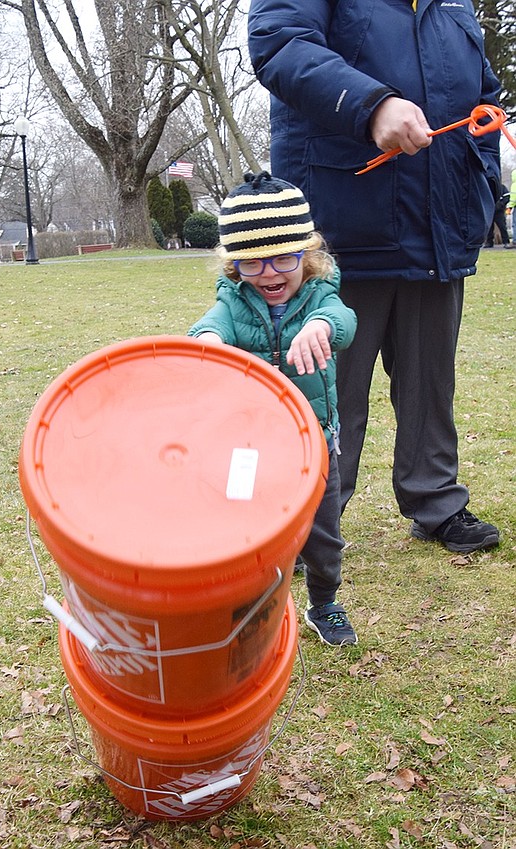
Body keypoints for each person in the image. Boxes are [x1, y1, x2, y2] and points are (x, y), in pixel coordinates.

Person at [248, 0, 501, 554]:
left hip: (436, 226)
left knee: (430, 379)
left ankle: (436, 499)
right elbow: (280, 43)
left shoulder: (453, 8)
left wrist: (482, 188)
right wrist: (372, 105)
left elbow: (484, 96)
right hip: (340, 228)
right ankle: (301, 516)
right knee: (326, 387)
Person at [188, 171, 358, 646]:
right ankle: (249, 603)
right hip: (250, 449)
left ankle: (324, 602)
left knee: (323, 536)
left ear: (310, 255)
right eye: (252, 263)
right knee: (246, 529)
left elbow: (344, 319)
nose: (269, 273)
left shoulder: (321, 294)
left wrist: (321, 326)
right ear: (233, 265)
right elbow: (210, 324)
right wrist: (207, 340)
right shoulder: (234, 300)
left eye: (284, 257)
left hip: (313, 443)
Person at [508, 169, 516, 244]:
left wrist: (509, 207)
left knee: (515, 224)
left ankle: (515, 240)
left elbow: (513, 197)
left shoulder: (514, 185)